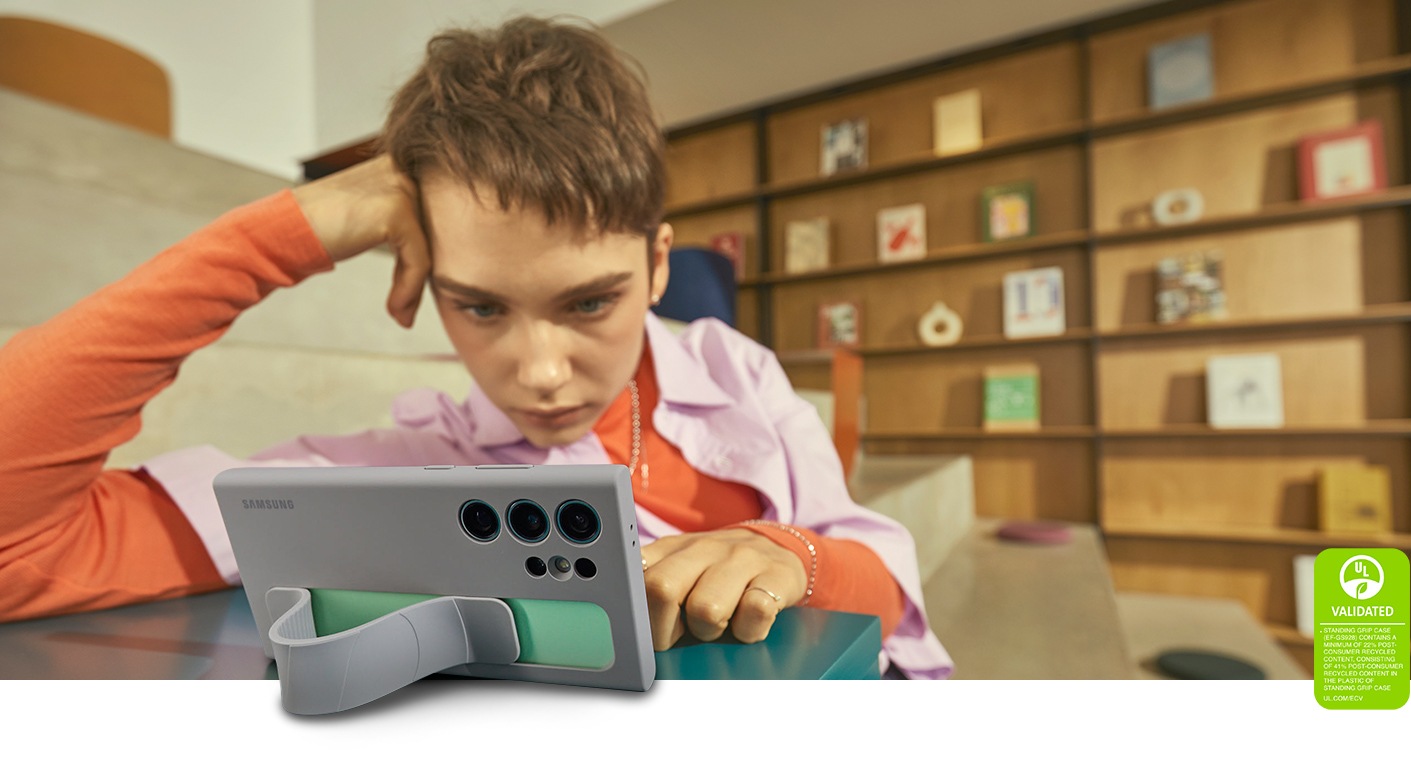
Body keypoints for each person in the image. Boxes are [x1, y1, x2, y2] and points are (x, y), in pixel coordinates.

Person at [0, 17, 953, 679]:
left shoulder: (732, 370)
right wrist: (287, 231)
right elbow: (18, 543)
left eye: (590, 300)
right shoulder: (410, 466)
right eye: (481, 307)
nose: (538, 371)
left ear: (658, 265)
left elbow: (877, 568)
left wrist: (788, 553)